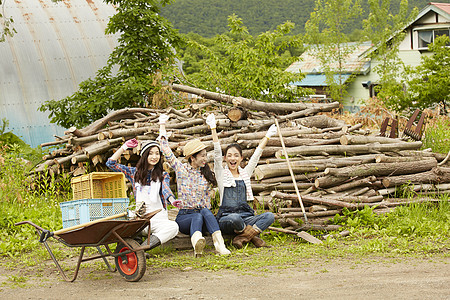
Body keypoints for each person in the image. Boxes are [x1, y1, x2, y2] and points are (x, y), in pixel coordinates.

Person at [158, 114, 231, 257]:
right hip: (185, 217)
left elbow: (217, 155)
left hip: (204, 218)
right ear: (192, 157)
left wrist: (213, 128)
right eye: (202, 156)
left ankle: (220, 246)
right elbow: (165, 150)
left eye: (205, 155)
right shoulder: (181, 169)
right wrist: (162, 125)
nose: (205, 158)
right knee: (197, 216)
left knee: (203, 212)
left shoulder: (205, 173)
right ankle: (197, 245)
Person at [206, 113, 276, 249]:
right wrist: (213, 129)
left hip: (245, 216)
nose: (233, 158)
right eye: (229, 155)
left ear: (241, 158)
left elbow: (256, 156)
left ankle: (242, 237)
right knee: (235, 219)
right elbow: (216, 153)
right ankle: (253, 236)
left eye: (236, 156)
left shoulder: (245, 173)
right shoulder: (221, 174)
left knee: (269, 216)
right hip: (227, 218)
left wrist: (267, 136)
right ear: (225, 158)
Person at [106, 139, 179, 251]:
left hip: (157, 220)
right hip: (140, 219)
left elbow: (165, 189)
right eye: (150, 153)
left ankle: (140, 250)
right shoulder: (134, 173)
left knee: (174, 227)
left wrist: (172, 200)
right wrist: (124, 147)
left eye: (157, 153)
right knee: (125, 217)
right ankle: (135, 247)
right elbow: (110, 163)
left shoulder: (163, 175)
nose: (154, 156)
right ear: (144, 156)